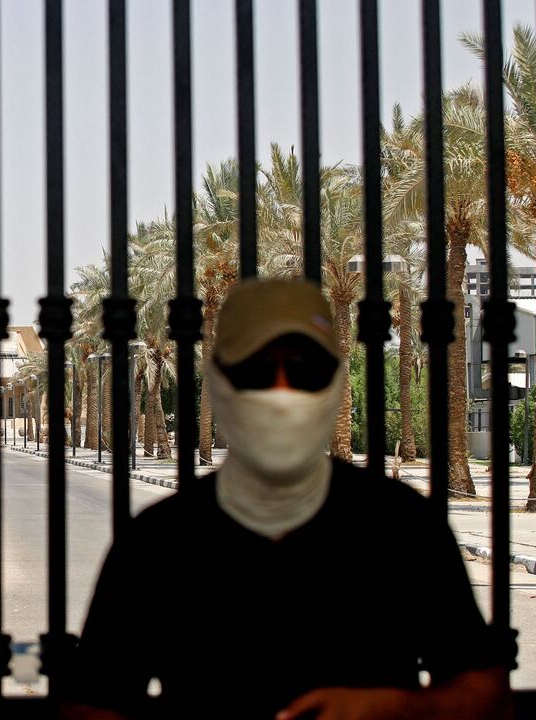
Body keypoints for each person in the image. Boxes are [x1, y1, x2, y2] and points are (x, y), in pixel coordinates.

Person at [62, 279, 512, 720]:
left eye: (303, 370)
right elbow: (93, 701)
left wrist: (390, 708)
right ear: (219, 383)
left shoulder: (400, 525)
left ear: (334, 382)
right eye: (257, 369)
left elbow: (484, 694)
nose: (280, 393)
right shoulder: (160, 540)